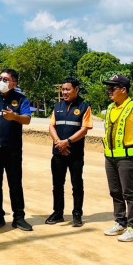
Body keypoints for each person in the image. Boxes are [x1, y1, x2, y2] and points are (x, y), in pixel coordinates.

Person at [0, 69, 33, 231]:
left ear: (14, 83)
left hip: (12, 148)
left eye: (6, 79)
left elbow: (27, 119)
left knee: (15, 183)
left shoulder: (21, 99)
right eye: (0, 78)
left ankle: (19, 217)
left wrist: (14, 117)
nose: (1, 81)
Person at [101, 74, 133, 242]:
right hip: (110, 157)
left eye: (113, 88)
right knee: (115, 191)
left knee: (128, 193)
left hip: (126, 158)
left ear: (123, 90)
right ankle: (120, 222)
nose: (109, 91)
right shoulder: (110, 108)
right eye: (109, 88)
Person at [46, 78, 92, 227]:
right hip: (58, 153)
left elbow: (84, 129)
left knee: (77, 185)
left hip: (75, 154)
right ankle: (58, 213)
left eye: (67, 89)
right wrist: (59, 143)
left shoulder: (84, 107)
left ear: (76, 90)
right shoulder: (57, 106)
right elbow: (51, 126)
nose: (64, 92)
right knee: (57, 185)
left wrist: (68, 142)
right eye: (63, 89)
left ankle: (77, 214)